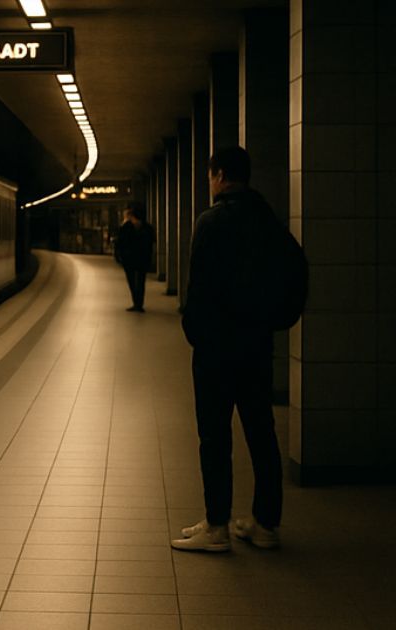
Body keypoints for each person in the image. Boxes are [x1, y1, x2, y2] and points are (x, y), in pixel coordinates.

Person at [172, 146, 283, 552]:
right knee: (262, 433)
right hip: (257, 345)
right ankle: (265, 525)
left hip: (216, 349)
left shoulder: (212, 221)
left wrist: (195, 331)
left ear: (219, 175)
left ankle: (217, 526)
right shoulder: (267, 219)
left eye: (210, 176)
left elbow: (199, 287)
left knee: (215, 437)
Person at [114, 202, 153, 312]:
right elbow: (151, 243)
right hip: (143, 258)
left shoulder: (126, 227)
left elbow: (120, 243)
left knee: (132, 281)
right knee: (141, 281)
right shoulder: (148, 228)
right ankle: (139, 303)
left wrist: (119, 257)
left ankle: (136, 302)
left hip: (129, 259)